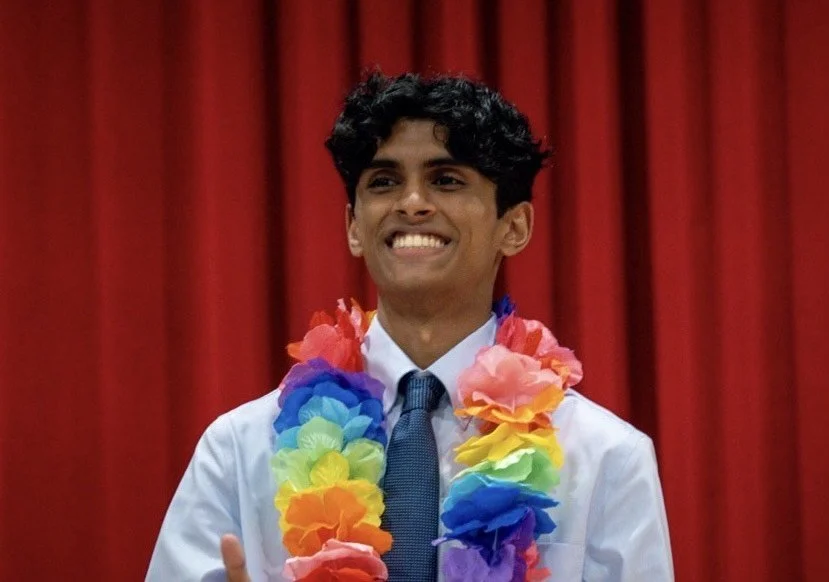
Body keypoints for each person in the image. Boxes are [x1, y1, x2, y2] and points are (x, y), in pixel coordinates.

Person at [147, 72, 673, 581]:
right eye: (384, 181)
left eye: (446, 179)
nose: (412, 203)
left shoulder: (606, 458)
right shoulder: (239, 450)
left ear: (513, 227)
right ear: (355, 226)